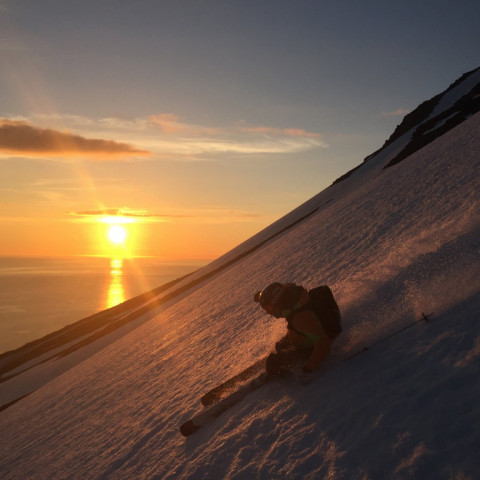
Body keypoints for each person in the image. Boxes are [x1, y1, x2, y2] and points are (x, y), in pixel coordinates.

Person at [254, 282, 341, 377]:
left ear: (278, 302)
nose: (268, 313)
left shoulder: (300, 319)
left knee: (273, 364)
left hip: (313, 346)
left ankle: (274, 370)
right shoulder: (293, 298)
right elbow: (284, 288)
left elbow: (324, 343)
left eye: (269, 308)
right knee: (281, 346)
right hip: (309, 332)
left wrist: (308, 368)